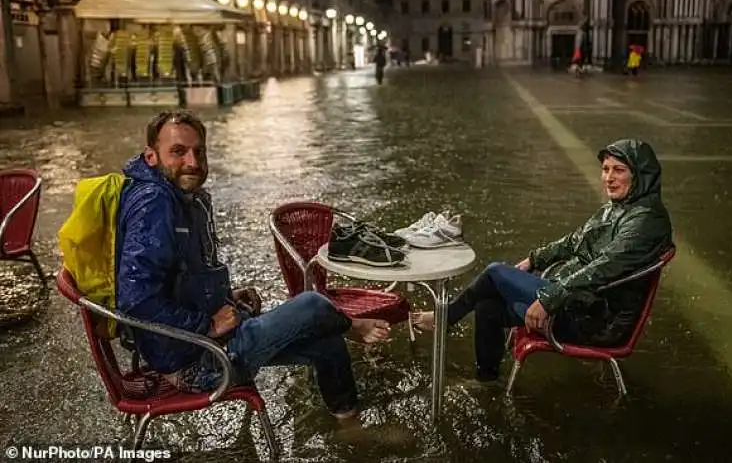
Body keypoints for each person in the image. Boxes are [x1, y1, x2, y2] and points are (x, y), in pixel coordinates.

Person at [116, 110, 390, 419]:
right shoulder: (154, 202)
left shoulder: (181, 196)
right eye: (178, 152)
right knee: (313, 304)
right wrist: (206, 324)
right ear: (151, 156)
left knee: (327, 344)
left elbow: (177, 278)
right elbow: (134, 299)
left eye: (199, 151)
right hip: (199, 362)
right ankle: (352, 326)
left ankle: (347, 423)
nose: (192, 162)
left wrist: (224, 298)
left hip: (210, 343)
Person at [413, 139, 673, 383]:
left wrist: (549, 300)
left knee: (495, 272)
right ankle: (486, 381)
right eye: (605, 169)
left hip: (594, 319)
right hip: (578, 301)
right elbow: (573, 241)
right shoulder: (618, 208)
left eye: (619, 170)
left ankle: (444, 318)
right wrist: (534, 259)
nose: (608, 178)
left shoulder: (646, 221)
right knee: (487, 307)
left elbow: (602, 269)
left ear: (641, 175)